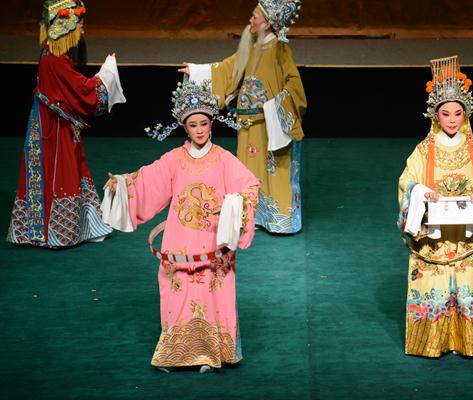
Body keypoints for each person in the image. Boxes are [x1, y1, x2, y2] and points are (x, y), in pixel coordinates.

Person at [102, 78, 260, 373]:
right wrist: (122, 183)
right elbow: (146, 179)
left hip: (213, 240)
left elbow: (249, 186)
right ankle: (175, 353)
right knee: (178, 294)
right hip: (180, 240)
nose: (199, 130)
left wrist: (235, 204)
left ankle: (211, 353)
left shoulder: (224, 160)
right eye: (193, 125)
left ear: (212, 124)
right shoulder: (174, 159)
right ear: (184, 127)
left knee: (212, 294)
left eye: (204, 124)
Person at [397, 56, 473, 357]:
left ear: (466, 114)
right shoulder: (424, 150)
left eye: (458, 113)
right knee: (432, 289)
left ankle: (470, 342)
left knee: (468, 287)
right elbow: (407, 181)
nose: (452, 120)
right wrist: (420, 191)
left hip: (466, 237)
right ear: (435, 115)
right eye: (445, 113)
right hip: (433, 240)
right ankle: (429, 342)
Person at [179, 0, 306, 234]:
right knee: (247, 169)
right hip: (248, 124)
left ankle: (278, 219)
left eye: (255, 16)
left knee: (273, 170)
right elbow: (227, 68)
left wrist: (275, 107)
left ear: (267, 23)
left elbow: (295, 86)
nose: (250, 20)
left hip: (270, 123)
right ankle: (250, 215)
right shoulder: (252, 48)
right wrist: (198, 71)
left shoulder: (280, 50)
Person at [6, 0, 125, 248]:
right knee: (60, 173)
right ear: (67, 27)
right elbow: (83, 90)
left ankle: (60, 229)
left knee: (56, 171)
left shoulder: (50, 53)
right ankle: (59, 233)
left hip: (49, 119)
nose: (83, 30)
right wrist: (107, 73)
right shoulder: (56, 60)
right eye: (80, 25)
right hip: (54, 126)